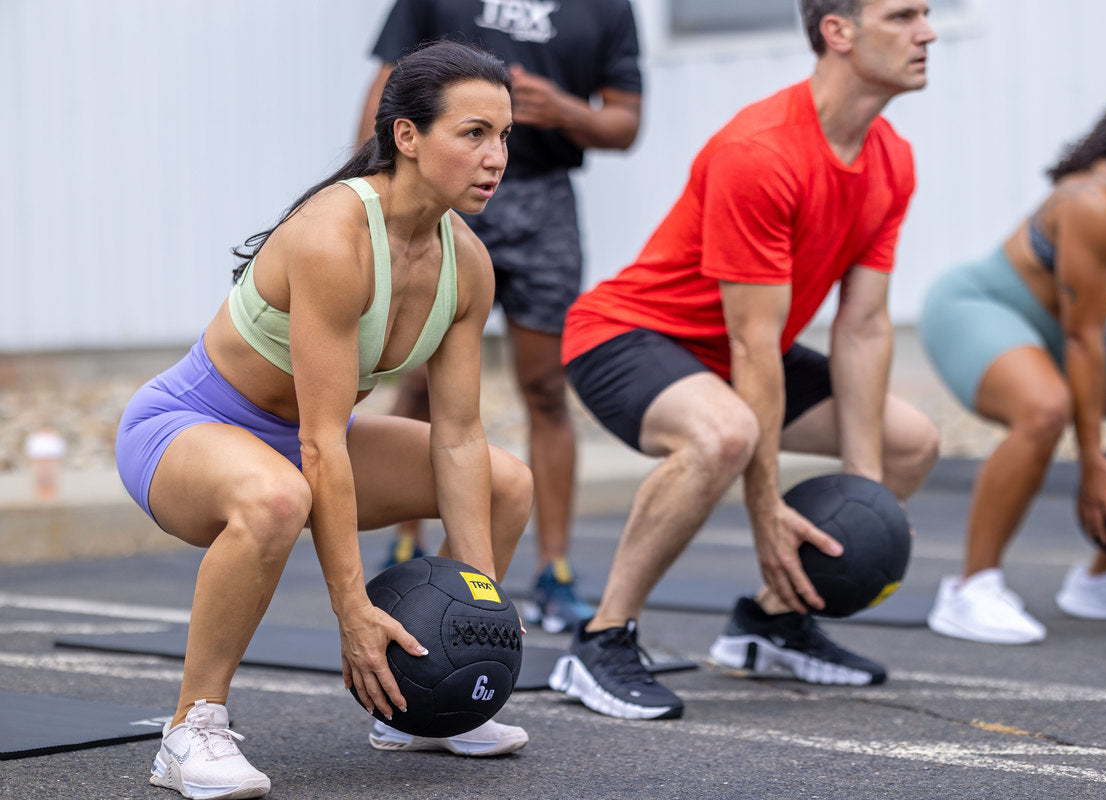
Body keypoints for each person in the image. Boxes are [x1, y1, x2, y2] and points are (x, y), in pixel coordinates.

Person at [115, 41, 535, 798]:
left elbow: (461, 437)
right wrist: (353, 612)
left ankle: (423, 702)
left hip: (307, 441)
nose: (495, 156)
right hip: (186, 429)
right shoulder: (334, 237)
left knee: (506, 480)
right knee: (279, 496)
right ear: (407, 136)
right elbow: (318, 440)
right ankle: (190, 729)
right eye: (473, 133)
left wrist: (480, 616)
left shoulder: (467, 263)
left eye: (504, 136)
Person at [547, 0, 940, 721]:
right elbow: (754, 345)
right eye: (903, 15)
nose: (928, 31)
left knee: (911, 440)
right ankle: (601, 639)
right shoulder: (761, 151)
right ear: (839, 32)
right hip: (625, 335)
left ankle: (771, 622)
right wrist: (765, 513)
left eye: (926, 14)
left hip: (735, 350)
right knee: (725, 433)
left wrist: (868, 493)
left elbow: (864, 325)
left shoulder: (892, 160)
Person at [356, 0, 643, 636]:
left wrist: (564, 111)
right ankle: (407, 543)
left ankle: (554, 571)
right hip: (436, 187)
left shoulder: (608, 8)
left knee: (546, 386)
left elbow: (626, 123)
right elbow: (388, 90)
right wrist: (367, 197)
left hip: (542, 204)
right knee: (414, 375)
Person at [919, 64, 1106, 645]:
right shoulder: (1092, 202)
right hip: (980, 307)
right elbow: (1085, 338)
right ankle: (971, 587)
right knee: (1045, 409)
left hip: (1062, 326)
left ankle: (1104, 578)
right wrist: (1092, 457)